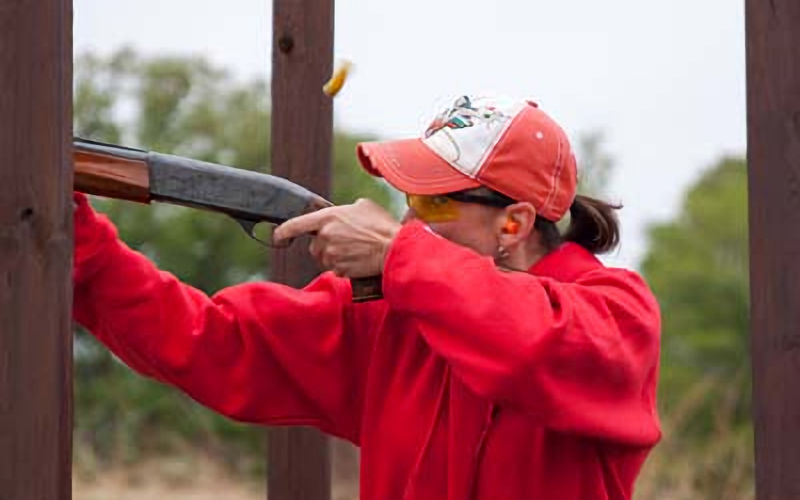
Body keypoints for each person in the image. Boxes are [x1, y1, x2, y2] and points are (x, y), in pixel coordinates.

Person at [73, 94, 661, 499]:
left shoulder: (614, 312)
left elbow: (533, 345)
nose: (408, 218)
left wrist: (400, 258)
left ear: (514, 223)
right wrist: (81, 248)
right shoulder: (393, 312)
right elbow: (211, 342)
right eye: (408, 196)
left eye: (433, 203)